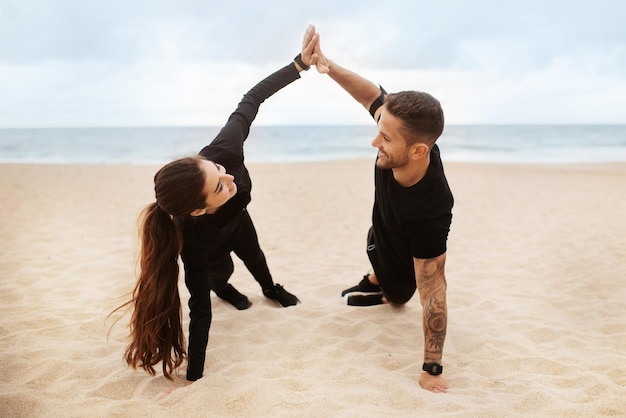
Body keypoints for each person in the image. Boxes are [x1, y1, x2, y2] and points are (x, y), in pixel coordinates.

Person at [119, 26, 318, 384]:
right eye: (219, 187)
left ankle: (270, 290)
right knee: (217, 277)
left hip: (239, 222)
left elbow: (251, 100)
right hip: (210, 246)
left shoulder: (223, 150)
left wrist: (299, 64)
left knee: (256, 258)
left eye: (218, 171)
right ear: (197, 209)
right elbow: (199, 311)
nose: (230, 179)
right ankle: (225, 287)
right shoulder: (189, 238)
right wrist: (194, 375)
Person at [309, 27, 454, 393]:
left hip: (405, 255)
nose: (375, 142)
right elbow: (370, 95)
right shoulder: (403, 127)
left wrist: (431, 368)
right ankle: (374, 279)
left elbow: (434, 291)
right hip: (381, 231)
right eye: (379, 129)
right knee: (374, 243)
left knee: (398, 296)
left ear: (419, 151)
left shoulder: (431, 211)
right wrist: (329, 66)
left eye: (385, 138)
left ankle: (383, 287)